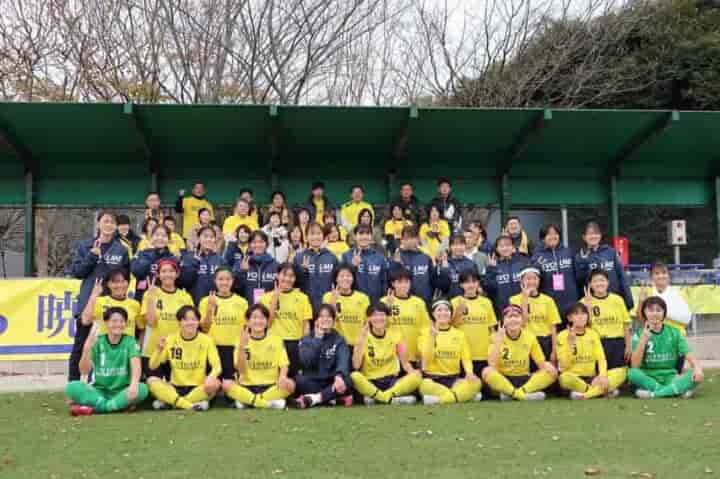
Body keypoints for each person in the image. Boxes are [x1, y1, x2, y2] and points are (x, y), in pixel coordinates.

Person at [68, 211, 130, 381]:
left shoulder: (122, 250)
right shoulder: (86, 245)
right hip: (89, 303)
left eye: (112, 222)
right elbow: (77, 272)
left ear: (116, 226)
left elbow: (125, 278)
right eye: (106, 221)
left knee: (106, 349)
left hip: (112, 307)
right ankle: (74, 387)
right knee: (81, 347)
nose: (109, 225)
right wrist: (92, 256)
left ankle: (100, 386)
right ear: (98, 224)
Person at [65, 308, 148, 415]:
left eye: (122, 321)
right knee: (72, 387)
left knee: (143, 388)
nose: (118, 324)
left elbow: (136, 365)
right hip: (99, 391)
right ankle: (113, 406)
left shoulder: (130, 342)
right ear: (106, 323)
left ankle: (98, 408)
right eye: (114, 321)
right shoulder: (98, 341)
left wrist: (134, 384)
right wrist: (86, 349)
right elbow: (84, 371)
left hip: (122, 391)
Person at [147, 305, 221, 411]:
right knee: (151, 380)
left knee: (216, 383)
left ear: (198, 322)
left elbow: (217, 367)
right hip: (175, 387)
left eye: (193, 319)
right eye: (185, 320)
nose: (190, 323)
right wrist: (158, 350)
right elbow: (152, 366)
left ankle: (171, 401)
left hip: (198, 387)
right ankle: (190, 405)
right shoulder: (170, 339)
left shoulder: (207, 340)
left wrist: (211, 377)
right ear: (179, 322)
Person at [629, 296, 703, 399]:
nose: (655, 313)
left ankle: (654, 394)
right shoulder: (639, 333)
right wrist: (643, 340)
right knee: (632, 373)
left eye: (658, 310)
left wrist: (697, 368)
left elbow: (688, 353)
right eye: (650, 310)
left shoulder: (674, 332)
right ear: (644, 313)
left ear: (664, 313)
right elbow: (635, 365)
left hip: (669, 376)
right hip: (648, 376)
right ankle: (675, 390)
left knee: (695, 375)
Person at [223, 304, 294, 409]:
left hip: (270, 386)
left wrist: (282, 377)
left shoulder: (276, 339)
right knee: (226, 384)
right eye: (255, 317)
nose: (258, 321)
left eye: (262, 318)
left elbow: (284, 364)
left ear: (266, 321)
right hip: (247, 386)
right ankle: (266, 403)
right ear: (248, 321)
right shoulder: (241, 340)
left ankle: (249, 401)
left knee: (291, 384)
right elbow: (240, 370)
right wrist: (242, 347)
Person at [350, 303, 421, 405]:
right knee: (354, 376)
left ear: (387, 317)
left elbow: (405, 364)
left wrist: (413, 372)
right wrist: (360, 342)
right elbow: (356, 365)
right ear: (369, 318)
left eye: (382, 314)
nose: (378, 318)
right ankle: (391, 399)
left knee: (416, 377)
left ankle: (379, 397)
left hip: (391, 381)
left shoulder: (395, 335)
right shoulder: (363, 336)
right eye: (374, 315)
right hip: (371, 382)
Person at [482, 305, 557, 400]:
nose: (513, 320)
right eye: (509, 317)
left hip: (524, 379)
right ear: (503, 321)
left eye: (516, 316)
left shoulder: (530, 337)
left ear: (522, 320)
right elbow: (491, 365)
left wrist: (548, 367)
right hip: (504, 379)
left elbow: (541, 364)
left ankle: (515, 394)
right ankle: (521, 395)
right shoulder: (495, 337)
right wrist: (498, 341)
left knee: (552, 371)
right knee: (486, 371)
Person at [418, 299, 482, 405]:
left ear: (451, 313)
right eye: (439, 310)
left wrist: (469, 373)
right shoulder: (424, 333)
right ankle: (463, 396)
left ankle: (441, 400)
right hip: (432, 379)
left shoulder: (459, 334)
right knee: (423, 384)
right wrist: (432, 338)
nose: (443, 313)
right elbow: (426, 361)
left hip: (453, 379)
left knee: (477, 382)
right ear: (433, 314)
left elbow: (466, 358)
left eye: (446, 310)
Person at [557, 302, 626, 400]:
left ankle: (585, 395)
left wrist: (602, 376)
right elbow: (564, 366)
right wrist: (570, 344)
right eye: (576, 314)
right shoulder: (562, 336)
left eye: (583, 313)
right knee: (564, 378)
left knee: (622, 372)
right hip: (574, 379)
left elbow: (601, 358)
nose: (581, 317)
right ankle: (599, 391)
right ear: (570, 318)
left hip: (592, 379)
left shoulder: (593, 334)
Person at [139, 259, 194, 378]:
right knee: (153, 388)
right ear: (158, 275)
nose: (167, 274)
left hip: (177, 352)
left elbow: (190, 327)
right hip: (153, 351)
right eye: (163, 271)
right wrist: (151, 299)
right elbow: (151, 322)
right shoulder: (150, 293)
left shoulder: (185, 297)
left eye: (171, 271)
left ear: (177, 274)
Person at [199, 268, 249, 393]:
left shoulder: (242, 302)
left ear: (232, 281)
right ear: (215, 281)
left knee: (230, 389)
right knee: (211, 386)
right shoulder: (206, 301)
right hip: (212, 349)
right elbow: (204, 329)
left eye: (227, 279)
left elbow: (246, 329)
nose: (224, 282)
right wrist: (210, 309)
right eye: (221, 279)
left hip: (233, 349)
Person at [294, 305, 353, 408]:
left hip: (332, 380)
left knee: (348, 380)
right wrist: (318, 339)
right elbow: (306, 362)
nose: (325, 319)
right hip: (313, 380)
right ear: (316, 320)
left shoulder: (339, 339)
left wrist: (339, 376)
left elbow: (343, 360)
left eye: (329, 316)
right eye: (321, 316)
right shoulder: (306, 339)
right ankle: (332, 399)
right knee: (298, 380)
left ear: (333, 320)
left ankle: (313, 399)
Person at [260, 264, 313, 377]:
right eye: (284, 275)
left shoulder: (302, 298)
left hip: (295, 344)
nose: (287, 279)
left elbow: (306, 325)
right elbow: (267, 325)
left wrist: (305, 345)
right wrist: (274, 300)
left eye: (291, 276)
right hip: (274, 343)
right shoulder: (266, 297)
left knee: (294, 377)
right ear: (277, 275)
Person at [576, 221, 633, 310]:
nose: (593, 236)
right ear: (584, 237)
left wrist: (628, 298)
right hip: (594, 303)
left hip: (614, 300)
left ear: (600, 235)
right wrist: (583, 262)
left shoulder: (610, 252)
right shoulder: (580, 256)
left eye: (596, 233)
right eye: (590, 234)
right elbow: (580, 281)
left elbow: (621, 275)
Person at [450, 271, 497, 380]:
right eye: (466, 282)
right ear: (461, 285)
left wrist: (494, 349)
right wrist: (458, 312)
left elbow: (492, 328)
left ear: (478, 283)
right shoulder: (455, 302)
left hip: (483, 354)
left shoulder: (486, 302)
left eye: (474, 281)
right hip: (463, 355)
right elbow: (450, 328)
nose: (471, 285)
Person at [509, 268, 561, 365]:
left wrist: (554, 351)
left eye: (534, 278)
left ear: (539, 280)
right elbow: (522, 324)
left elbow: (553, 328)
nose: (531, 282)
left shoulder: (548, 300)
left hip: (545, 342)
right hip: (525, 342)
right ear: (521, 281)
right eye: (528, 279)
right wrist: (524, 300)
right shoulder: (514, 300)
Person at [583, 269, 632, 371]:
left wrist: (628, 346)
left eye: (602, 280)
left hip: (617, 343)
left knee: (618, 375)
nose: (599, 283)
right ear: (590, 284)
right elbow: (583, 328)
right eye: (595, 281)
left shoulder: (618, 300)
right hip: (597, 344)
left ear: (608, 282)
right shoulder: (584, 302)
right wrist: (587, 308)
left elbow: (626, 325)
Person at [381, 268, 431, 367]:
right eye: (399, 282)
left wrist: (423, 350)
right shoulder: (384, 301)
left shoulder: (419, 303)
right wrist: (388, 307)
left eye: (407, 282)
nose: (404, 285)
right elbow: (380, 327)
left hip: (413, 355)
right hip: (391, 357)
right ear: (393, 284)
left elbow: (425, 329)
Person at [530, 224, 580, 319]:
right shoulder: (537, 257)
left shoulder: (568, 252)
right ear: (543, 238)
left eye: (555, 233)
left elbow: (578, 275)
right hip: (549, 304)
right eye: (549, 234)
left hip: (571, 302)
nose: (552, 236)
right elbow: (535, 281)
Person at [81, 268, 140, 338]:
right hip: (105, 347)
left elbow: (141, 328)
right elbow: (85, 321)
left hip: (127, 348)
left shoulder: (135, 304)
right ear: (108, 284)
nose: (119, 285)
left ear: (127, 283)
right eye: (115, 282)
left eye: (123, 281)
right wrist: (94, 295)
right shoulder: (99, 301)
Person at [322, 265, 370, 351]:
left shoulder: (363, 298)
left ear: (353, 278)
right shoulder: (328, 296)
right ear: (336, 279)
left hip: (357, 343)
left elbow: (367, 323)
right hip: (336, 344)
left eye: (348, 276)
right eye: (341, 276)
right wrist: (332, 302)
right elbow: (326, 323)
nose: (345, 278)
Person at [294, 223, 339, 312]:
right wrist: (303, 270)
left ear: (323, 236)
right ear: (306, 237)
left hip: (326, 307)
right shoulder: (299, 257)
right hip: (305, 307)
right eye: (312, 233)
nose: (315, 237)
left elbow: (338, 282)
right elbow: (295, 284)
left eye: (318, 233)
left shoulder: (331, 257)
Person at [637, 262, 692, 335]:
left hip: (677, 337)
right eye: (657, 273)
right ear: (651, 276)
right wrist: (641, 301)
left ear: (668, 275)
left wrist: (661, 313)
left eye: (664, 273)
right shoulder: (647, 293)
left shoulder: (678, 292)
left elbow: (687, 318)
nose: (661, 276)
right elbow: (641, 319)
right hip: (656, 337)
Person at [482, 235, 529, 317]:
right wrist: (491, 269)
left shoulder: (522, 263)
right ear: (497, 248)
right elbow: (488, 288)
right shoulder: (492, 266)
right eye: (501, 246)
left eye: (507, 245)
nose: (505, 248)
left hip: (522, 308)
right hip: (501, 310)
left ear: (513, 247)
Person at [389, 225, 437, 305]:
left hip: (424, 302)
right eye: (406, 238)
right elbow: (390, 281)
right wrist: (396, 264)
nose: (410, 241)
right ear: (401, 240)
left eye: (412, 238)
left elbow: (433, 280)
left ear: (418, 239)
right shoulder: (396, 257)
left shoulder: (425, 257)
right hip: (402, 302)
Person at [341, 225, 388, 304]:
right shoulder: (346, 255)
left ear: (371, 237)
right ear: (355, 236)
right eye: (361, 233)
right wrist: (352, 266)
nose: (364, 237)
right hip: (353, 304)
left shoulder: (380, 257)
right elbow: (342, 280)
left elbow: (384, 283)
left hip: (375, 304)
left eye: (367, 234)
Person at [180, 226, 227, 304]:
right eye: (205, 236)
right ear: (198, 239)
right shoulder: (189, 257)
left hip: (216, 304)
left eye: (212, 237)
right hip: (195, 304)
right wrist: (195, 262)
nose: (208, 239)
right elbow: (184, 281)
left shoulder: (220, 260)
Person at [131, 225, 177, 303]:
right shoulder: (142, 253)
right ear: (151, 237)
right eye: (157, 235)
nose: (160, 238)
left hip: (165, 300)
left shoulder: (172, 258)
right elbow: (137, 271)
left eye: (164, 236)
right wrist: (150, 253)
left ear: (168, 239)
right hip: (142, 297)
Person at [233, 231, 280, 304]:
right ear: (250, 245)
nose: (258, 245)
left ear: (266, 244)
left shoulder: (275, 265)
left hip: (269, 309)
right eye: (254, 242)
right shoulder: (241, 263)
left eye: (261, 242)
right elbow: (235, 287)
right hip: (248, 309)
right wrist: (242, 272)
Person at [437, 234, 478, 298]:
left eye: (461, 244)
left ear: (465, 246)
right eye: (455, 244)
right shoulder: (444, 263)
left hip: (467, 301)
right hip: (449, 302)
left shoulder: (471, 264)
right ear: (450, 247)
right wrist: (444, 269)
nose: (458, 247)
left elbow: (475, 285)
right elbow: (442, 287)